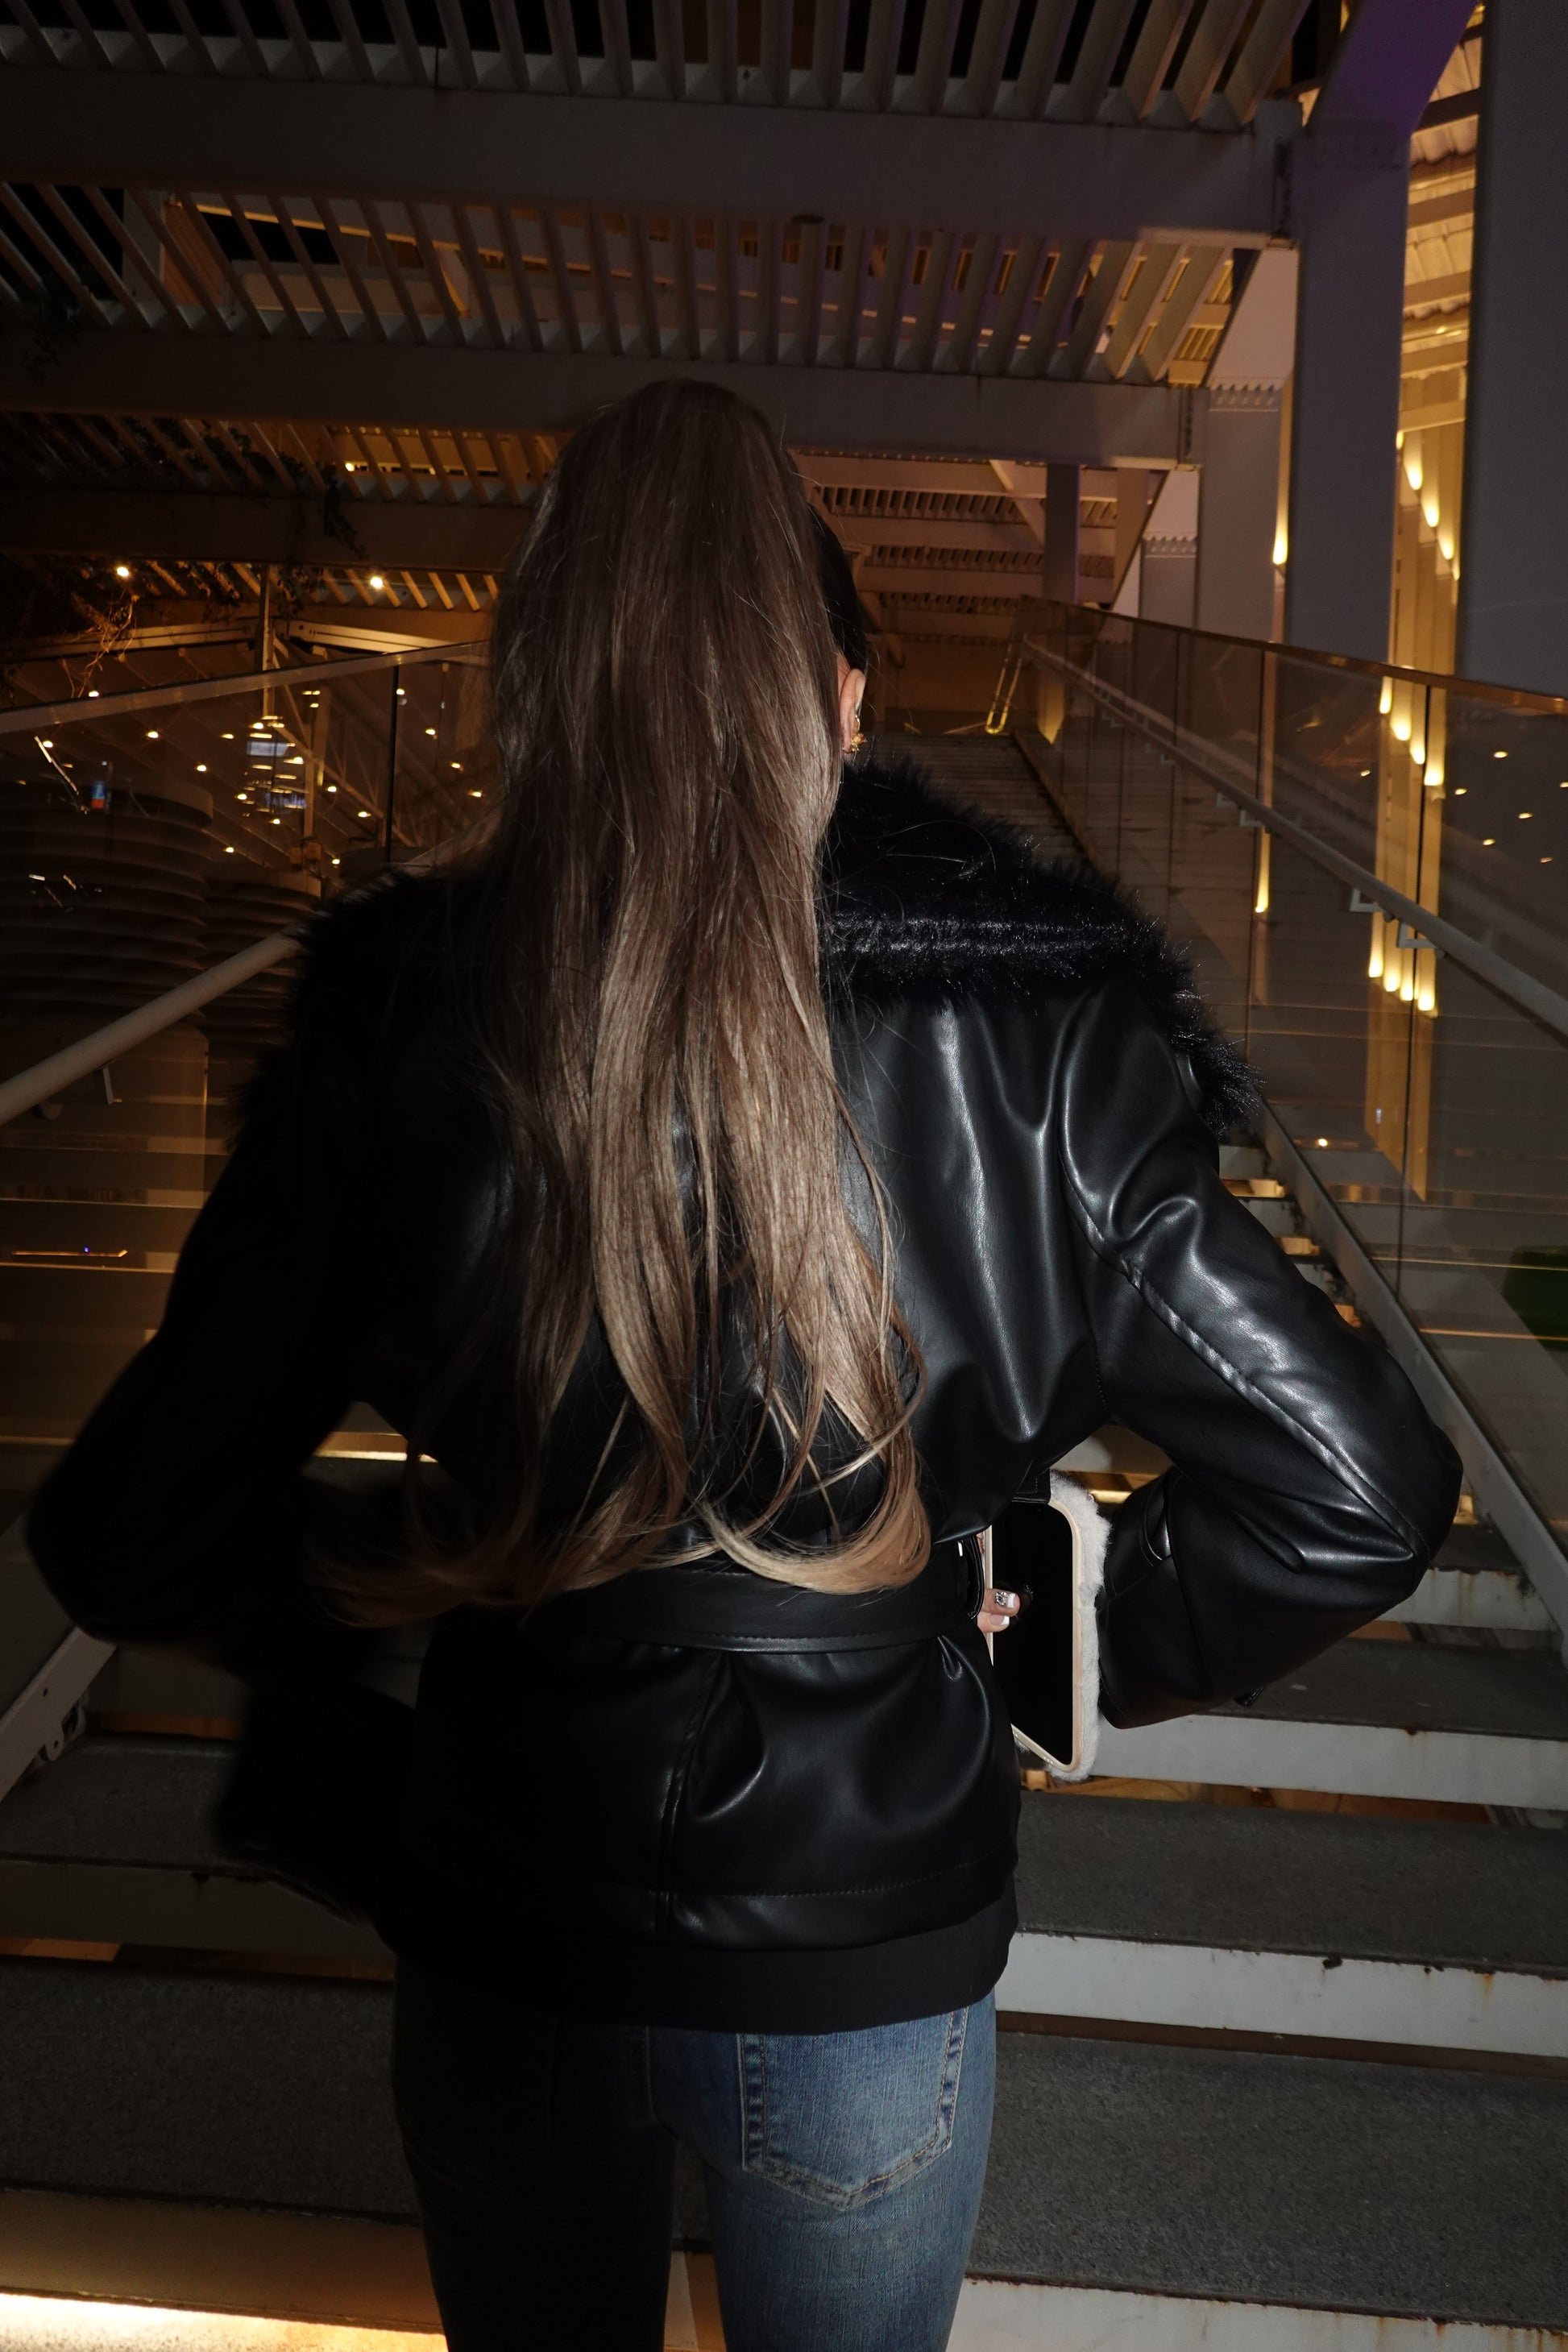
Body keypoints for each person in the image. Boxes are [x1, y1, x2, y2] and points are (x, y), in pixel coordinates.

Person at [27, 382, 1460, 2352]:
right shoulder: (1042, 1040)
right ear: (845, 699)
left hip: (507, 1894)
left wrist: (368, 1638)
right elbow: (1361, 1487)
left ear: (539, 688)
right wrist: (1051, 1633)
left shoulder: (394, 1018)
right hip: (868, 1947)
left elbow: (124, 1523)